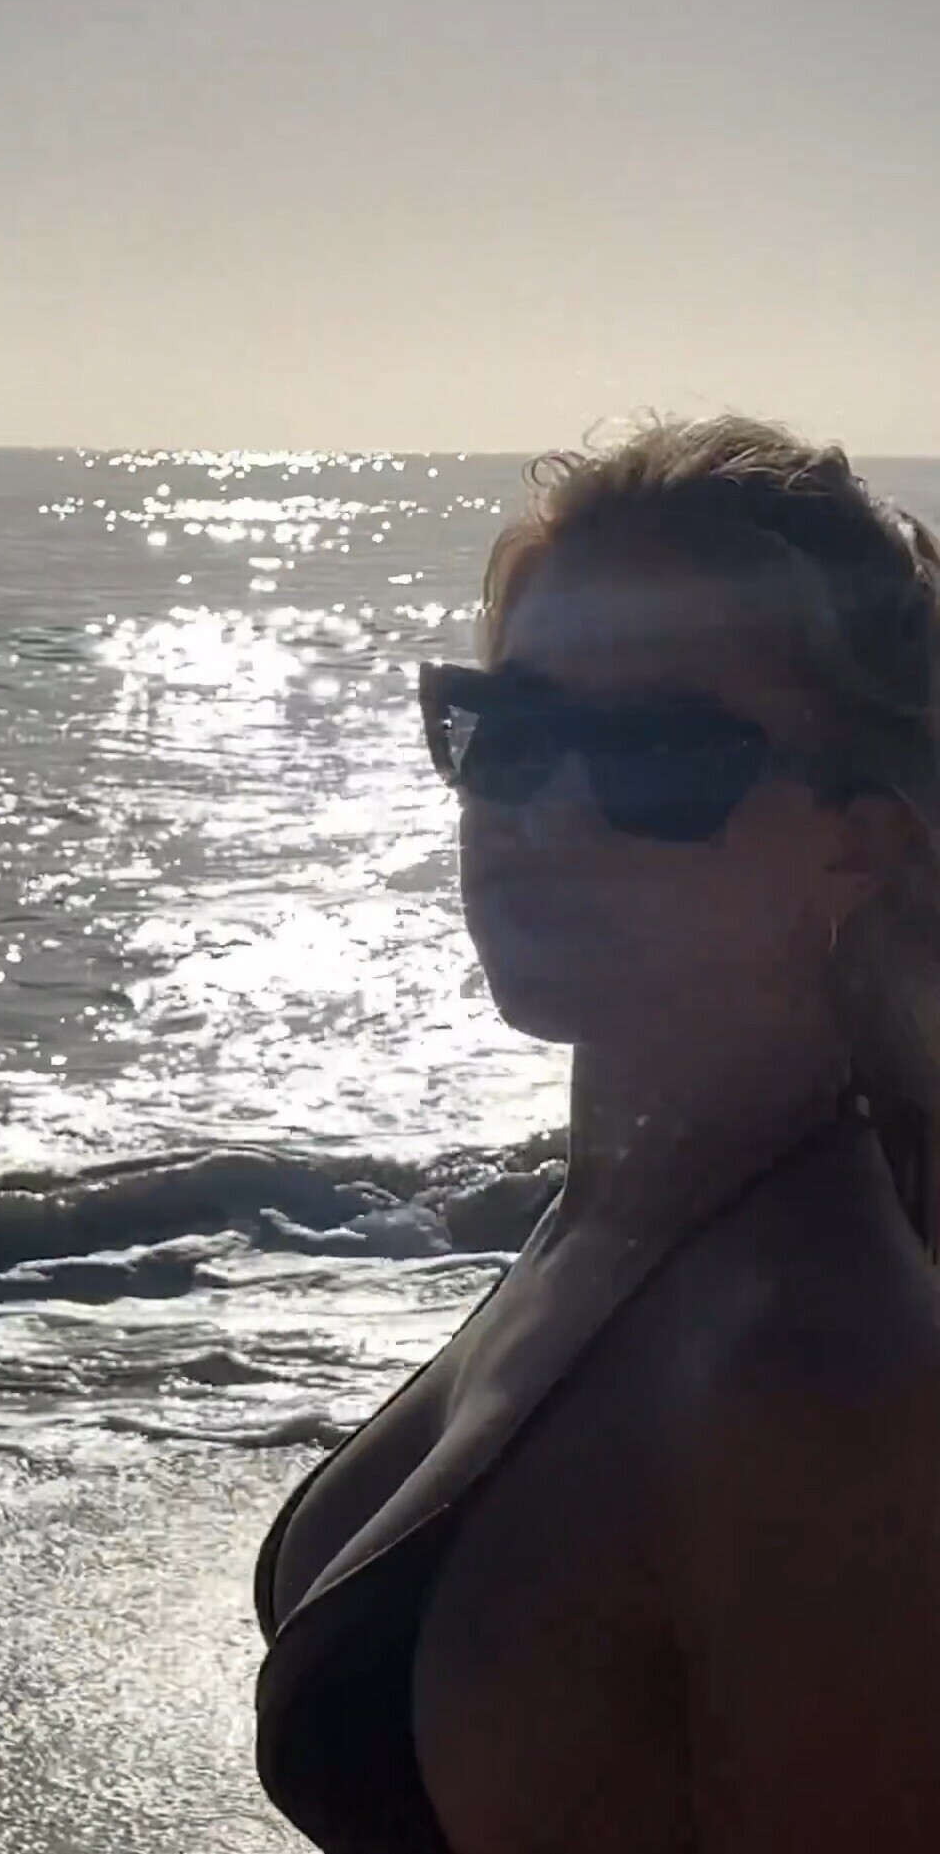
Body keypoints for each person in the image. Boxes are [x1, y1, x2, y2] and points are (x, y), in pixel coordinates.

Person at [253, 413, 940, 1853]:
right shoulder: (620, 1209)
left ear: (860, 840)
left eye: (662, 753)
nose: (546, 812)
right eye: (507, 727)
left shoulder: (823, 1385)